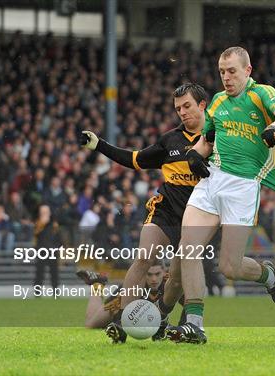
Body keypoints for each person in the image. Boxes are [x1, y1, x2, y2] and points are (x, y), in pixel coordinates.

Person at [166, 46, 275, 344]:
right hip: (212, 182)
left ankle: (268, 276)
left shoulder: (261, 93)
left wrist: (273, 128)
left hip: (243, 187)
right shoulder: (218, 101)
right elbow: (206, 141)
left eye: (232, 71)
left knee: (230, 267)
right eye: (222, 72)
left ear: (247, 71)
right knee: (188, 249)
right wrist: (195, 157)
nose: (226, 77)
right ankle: (195, 325)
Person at [81, 83, 210, 343]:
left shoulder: (218, 138)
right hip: (165, 210)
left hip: (198, 215)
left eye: (187, 106)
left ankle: (171, 321)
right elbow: (135, 159)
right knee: (144, 257)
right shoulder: (169, 140)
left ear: (202, 105)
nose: (182, 112)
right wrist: (100, 145)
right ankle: (122, 323)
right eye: (178, 108)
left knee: (177, 278)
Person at [77, 263, 185, 337]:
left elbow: (187, 303)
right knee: (90, 324)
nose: (154, 279)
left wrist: (183, 326)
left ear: (164, 272)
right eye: (149, 274)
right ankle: (97, 284)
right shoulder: (133, 286)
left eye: (157, 274)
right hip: (120, 308)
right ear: (143, 274)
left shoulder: (171, 284)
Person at [33, 204, 62, 289]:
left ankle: (55, 292)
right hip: (41, 250)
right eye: (43, 212)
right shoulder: (37, 223)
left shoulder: (54, 225)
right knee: (39, 273)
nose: (45, 214)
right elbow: (35, 236)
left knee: (54, 273)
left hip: (53, 251)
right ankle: (37, 292)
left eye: (46, 212)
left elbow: (59, 238)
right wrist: (41, 224)